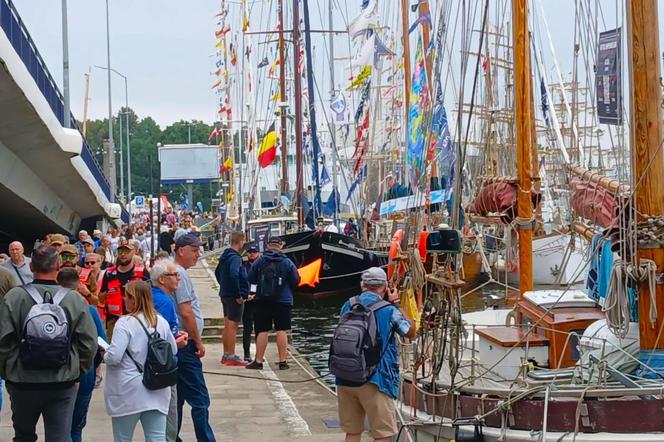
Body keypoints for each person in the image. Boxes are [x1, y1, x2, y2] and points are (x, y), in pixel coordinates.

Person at [0, 245, 97, 442]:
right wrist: (77, 371)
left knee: (23, 436)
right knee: (59, 437)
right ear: (58, 266)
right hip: (62, 381)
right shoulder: (74, 300)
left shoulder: (14, 297)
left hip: (22, 381)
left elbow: (3, 340)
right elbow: (89, 343)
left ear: (31, 267)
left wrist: (8, 371)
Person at [335, 267, 416, 442]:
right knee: (382, 434)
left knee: (352, 432)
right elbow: (410, 332)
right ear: (385, 287)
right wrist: (397, 304)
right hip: (375, 379)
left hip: (345, 375)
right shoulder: (388, 310)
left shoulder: (348, 305)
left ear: (362, 285)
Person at [103, 280, 177, 442]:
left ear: (133, 299)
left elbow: (114, 357)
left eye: (126, 296)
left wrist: (105, 354)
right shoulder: (161, 322)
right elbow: (173, 349)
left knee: (123, 438)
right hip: (157, 389)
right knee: (157, 437)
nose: (123, 299)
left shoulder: (124, 323)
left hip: (128, 390)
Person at [173, 234, 216, 441]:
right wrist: (198, 341)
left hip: (179, 343)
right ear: (181, 250)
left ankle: (172, 437)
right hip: (187, 344)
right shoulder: (180, 274)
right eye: (194, 250)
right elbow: (186, 311)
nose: (198, 255)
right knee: (199, 399)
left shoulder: (176, 273)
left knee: (179, 398)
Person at [56, 268, 106, 442]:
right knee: (76, 427)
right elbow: (102, 345)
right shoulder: (89, 310)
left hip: (56, 373)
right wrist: (93, 365)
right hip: (84, 373)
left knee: (57, 426)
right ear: (78, 285)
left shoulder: (50, 308)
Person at [246, 236, 300, 370]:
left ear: (268, 246)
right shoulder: (287, 262)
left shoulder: (260, 261)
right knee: (281, 330)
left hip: (262, 300)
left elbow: (250, 278)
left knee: (263, 330)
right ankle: (283, 362)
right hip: (283, 301)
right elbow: (296, 280)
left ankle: (258, 361)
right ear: (281, 246)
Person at [151, 258, 189, 442]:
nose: (178, 278)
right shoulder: (164, 302)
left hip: (155, 365)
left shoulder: (155, 297)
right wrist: (178, 342)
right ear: (162, 279)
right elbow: (161, 338)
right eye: (174, 275)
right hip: (164, 365)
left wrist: (175, 334)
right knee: (170, 410)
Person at [100, 242, 150, 339]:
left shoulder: (142, 272)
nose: (123, 254)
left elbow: (150, 297)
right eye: (120, 251)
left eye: (126, 251)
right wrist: (110, 292)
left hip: (137, 319)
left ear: (133, 253)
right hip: (114, 321)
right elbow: (101, 297)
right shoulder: (109, 273)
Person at [215, 231, 250, 366]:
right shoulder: (235, 257)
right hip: (233, 296)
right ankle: (231, 355)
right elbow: (234, 274)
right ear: (240, 241)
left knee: (227, 324)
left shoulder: (225, 255)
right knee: (233, 325)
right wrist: (238, 295)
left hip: (224, 294)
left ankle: (226, 354)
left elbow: (217, 272)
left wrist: (223, 285)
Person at [242, 243, 261, 362]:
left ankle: (259, 354)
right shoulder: (243, 266)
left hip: (259, 300)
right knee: (247, 328)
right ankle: (246, 353)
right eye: (250, 252)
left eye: (254, 252)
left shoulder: (262, 265)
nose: (252, 254)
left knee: (260, 329)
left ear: (258, 253)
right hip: (248, 301)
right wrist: (245, 295)